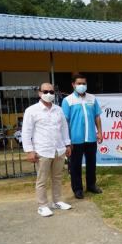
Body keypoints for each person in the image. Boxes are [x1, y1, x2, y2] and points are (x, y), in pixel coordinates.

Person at [22, 83, 72, 217]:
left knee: (57, 177)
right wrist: (29, 151)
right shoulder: (31, 111)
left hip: (59, 149)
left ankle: (57, 201)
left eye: (51, 91)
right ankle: (42, 205)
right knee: (42, 180)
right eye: (45, 91)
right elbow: (26, 132)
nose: (48, 94)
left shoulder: (58, 109)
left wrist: (67, 145)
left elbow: (64, 128)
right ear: (39, 93)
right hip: (42, 150)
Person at [62, 74, 103, 199]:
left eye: (84, 83)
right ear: (73, 85)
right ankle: (78, 189)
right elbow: (65, 121)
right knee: (75, 165)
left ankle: (91, 185)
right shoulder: (68, 100)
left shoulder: (92, 98)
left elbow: (97, 116)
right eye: (79, 83)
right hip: (75, 139)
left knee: (92, 163)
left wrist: (99, 132)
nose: (82, 86)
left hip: (91, 138)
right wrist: (67, 141)